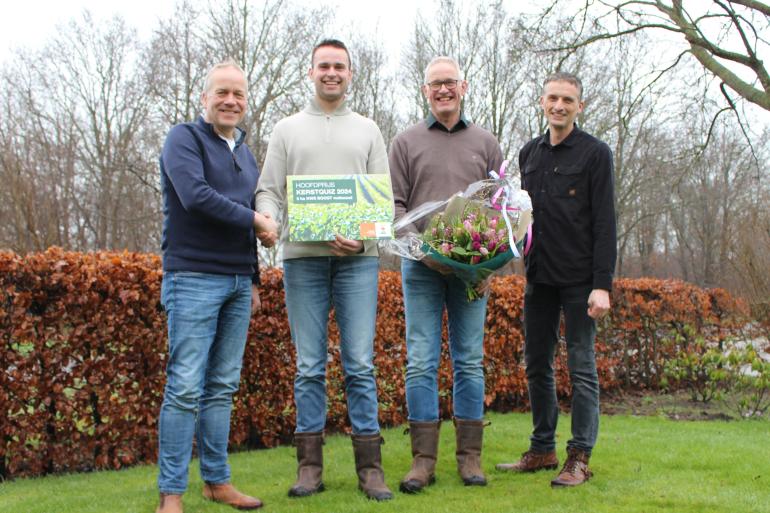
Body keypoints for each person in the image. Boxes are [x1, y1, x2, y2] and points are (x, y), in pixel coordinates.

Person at [255, 39, 392, 501]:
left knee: (359, 364)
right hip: (302, 260)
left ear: (351, 74)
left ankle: (370, 469)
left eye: (339, 66)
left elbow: (383, 203)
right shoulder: (286, 129)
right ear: (310, 72)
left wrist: (365, 238)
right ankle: (309, 469)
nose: (331, 72)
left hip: (358, 263)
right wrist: (267, 220)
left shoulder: (369, 130)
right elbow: (268, 191)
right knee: (310, 366)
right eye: (323, 66)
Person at [155, 59, 277, 513]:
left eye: (238, 95)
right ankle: (171, 494)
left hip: (236, 282)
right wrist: (256, 220)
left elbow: (249, 223)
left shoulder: (245, 153)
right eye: (221, 93)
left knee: (222, 386)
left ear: (245, 102)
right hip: (192, 278)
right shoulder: (183, 139)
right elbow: (196, 197)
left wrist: (253, 278)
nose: (230, 101)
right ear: (204, 97)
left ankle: (216, 482)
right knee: (185, 386)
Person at [495, 72, 617, 487]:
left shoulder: (595, 154)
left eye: (568, 99)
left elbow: (605, 222)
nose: (559, 106)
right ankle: (542, 448)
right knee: (536, 365)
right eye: (553, 98)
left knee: (581, 367)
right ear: (542, 102)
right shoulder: (530, 153)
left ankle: (579, 457)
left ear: (579, 106)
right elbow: (520, 219)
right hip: (539, 278)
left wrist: (603, 284)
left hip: (582, 281)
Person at [389, 56, 503, 493]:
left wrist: (484, 259)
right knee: (421, 362)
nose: (443, 90)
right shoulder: (405, 142)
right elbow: (394, 205)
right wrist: (425, 249)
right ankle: (423, 461)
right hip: (420, 269)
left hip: (472, 274)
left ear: (464, 86)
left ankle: (470, 458)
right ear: (425, 91)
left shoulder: (486, 142)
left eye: (449, 83)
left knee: (469, 360)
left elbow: (499, 209)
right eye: (435, 84)